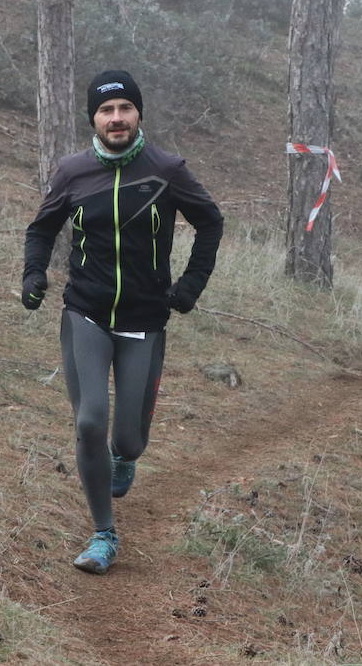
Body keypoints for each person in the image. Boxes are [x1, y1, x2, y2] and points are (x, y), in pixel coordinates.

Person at [21, 69, 224, 575]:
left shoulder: (168, 168)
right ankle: (103, 535)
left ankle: (126, 454)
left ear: (138, 114)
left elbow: (210, 221)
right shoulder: (72, 171)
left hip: (145, 319)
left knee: (128, 440)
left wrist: (190, 286)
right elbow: (42, 227)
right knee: (90, 421)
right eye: (107, 110)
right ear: (93, 117)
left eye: (125, 109)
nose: (116, 118)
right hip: (85, 311)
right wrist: (33, 273)